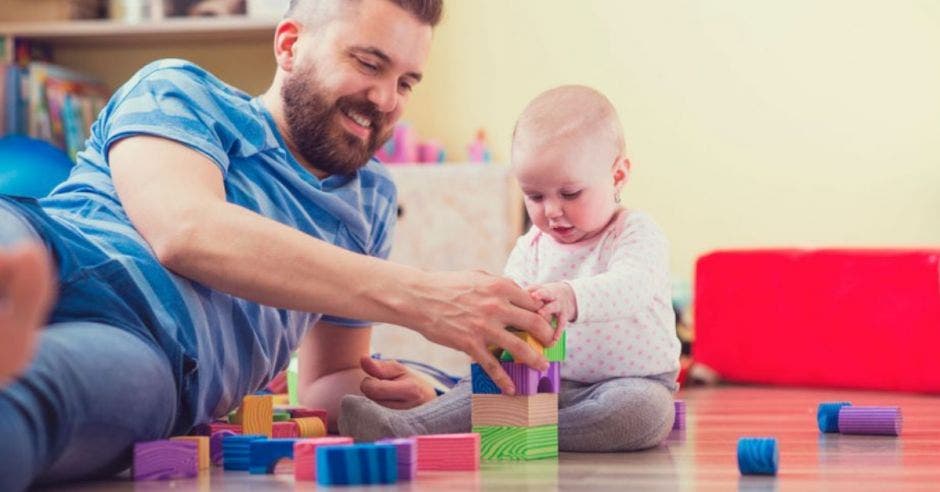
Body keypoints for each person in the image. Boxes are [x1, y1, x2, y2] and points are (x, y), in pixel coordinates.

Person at [0, 0, 555, 489]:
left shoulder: (370, 202)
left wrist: (405, 392)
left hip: (156, 355)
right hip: (54, 241)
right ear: (290, 45)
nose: (385, 99)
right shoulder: (181, 89)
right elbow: (186, 231)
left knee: (34, 399)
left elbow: (322, 382)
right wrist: (423, 297)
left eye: (407, 82)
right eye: (368, 63)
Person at [339, 85, 681, 452]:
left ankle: (522, 430)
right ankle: (409, 426)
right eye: (535, 196)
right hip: (542, 379)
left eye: (570, 194)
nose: (551, 211)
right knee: (484, 382)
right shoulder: (532, 245)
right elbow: (509, 295)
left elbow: (633, 286)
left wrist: (571, 296)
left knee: (641, 414)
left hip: (629, 382)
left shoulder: (635, 233)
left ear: (617, 177)